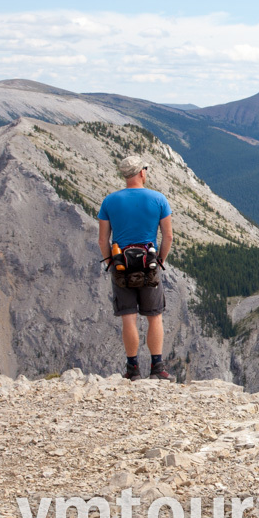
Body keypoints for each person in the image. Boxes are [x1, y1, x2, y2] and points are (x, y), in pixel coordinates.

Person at [97, 154, 175, 381]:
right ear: (142, 172)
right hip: (148, 263)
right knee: (154, 316)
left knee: (128, 317)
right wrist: (160, 260)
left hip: (121, 265)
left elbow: (103, 240)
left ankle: (133, 370)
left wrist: (111, 263)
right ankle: (157, 368)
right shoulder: (158, 199)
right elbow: (168, 235)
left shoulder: (110, 201)